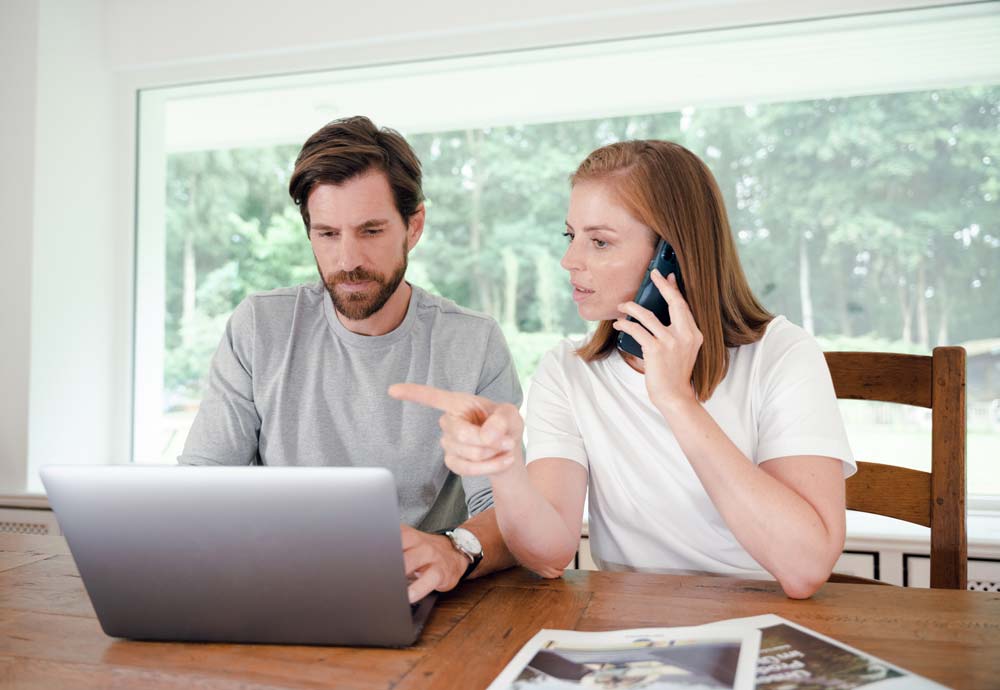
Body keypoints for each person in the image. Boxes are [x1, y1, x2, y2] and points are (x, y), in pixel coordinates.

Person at [391, 140, 855, 599]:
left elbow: (805, 568)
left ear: (673, 256)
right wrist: (506, 467)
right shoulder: (567, 372)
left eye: (599, 241)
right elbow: (549, 555)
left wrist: (676, 401)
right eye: (571, 236)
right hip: (632, 629)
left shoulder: (782, 354)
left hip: (767, 624)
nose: (569, 260)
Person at [179, 116, 521, 602]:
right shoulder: (259, 327)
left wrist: (455, 549)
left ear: (414, 226)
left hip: (424, 599)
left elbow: (506, 512)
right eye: (327, 234)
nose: (347, 260)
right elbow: (202, 486)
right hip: (277, 589)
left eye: (371, 230)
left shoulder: (473, 342)